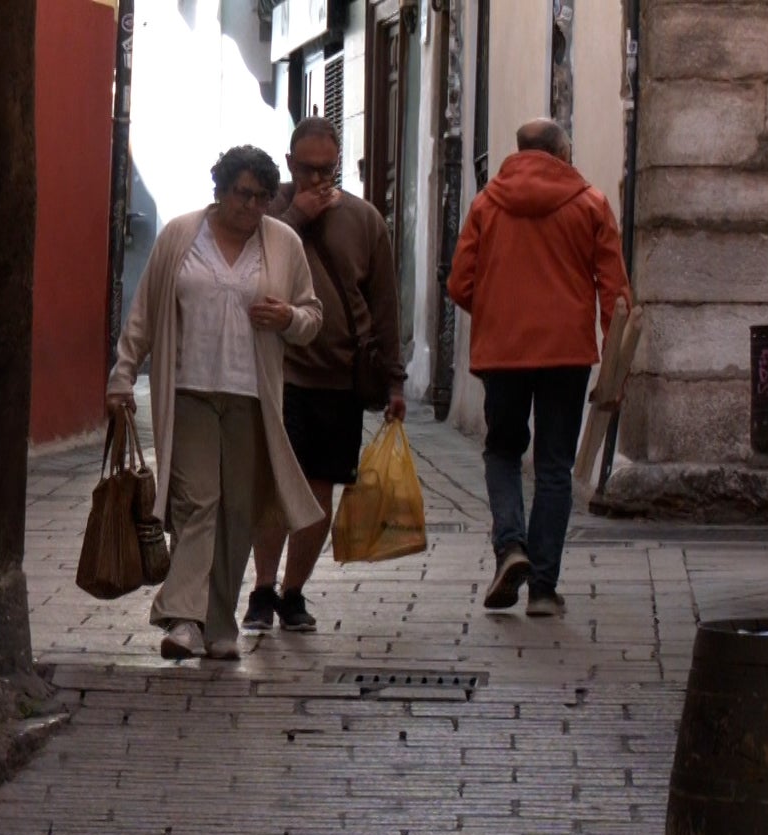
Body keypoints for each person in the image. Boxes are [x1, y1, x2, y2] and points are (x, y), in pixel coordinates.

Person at [106, 146, 326, 661]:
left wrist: (288, 318)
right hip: (189, 391)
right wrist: (122, 374)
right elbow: (146, 312)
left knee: (237, 511)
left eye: (262, 198)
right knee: (197, 501)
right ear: (221, 190)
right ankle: (184, 618)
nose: (251, 207)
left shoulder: (283, 243)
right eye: (243, 195)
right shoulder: (182, 237)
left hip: (253, 397)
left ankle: (221, 624)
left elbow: (313, 316)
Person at [448, 119, 631, 617]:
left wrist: (498, 312)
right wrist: (617, 358)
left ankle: (511, 547)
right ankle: (544, 591)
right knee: (554, 467)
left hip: (502, 353)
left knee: (502, 451)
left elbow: (460, 283)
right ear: (561, 151)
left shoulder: (487, 204)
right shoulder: (591, 202)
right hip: (567, 354)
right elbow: (615, 291)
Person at [244, 117, 403, 634]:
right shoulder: (266, 212)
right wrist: (294, 216)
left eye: (326, 169)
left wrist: (395, 380)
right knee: (272, 489)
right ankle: (262, 589)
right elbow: (247, 262)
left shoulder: (364, 220)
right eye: (308, 168)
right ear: (290, 162)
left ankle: (293, 592)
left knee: (316, 495)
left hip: (338, 380)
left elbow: (384, 306)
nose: (317, 179)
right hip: (278, 374)